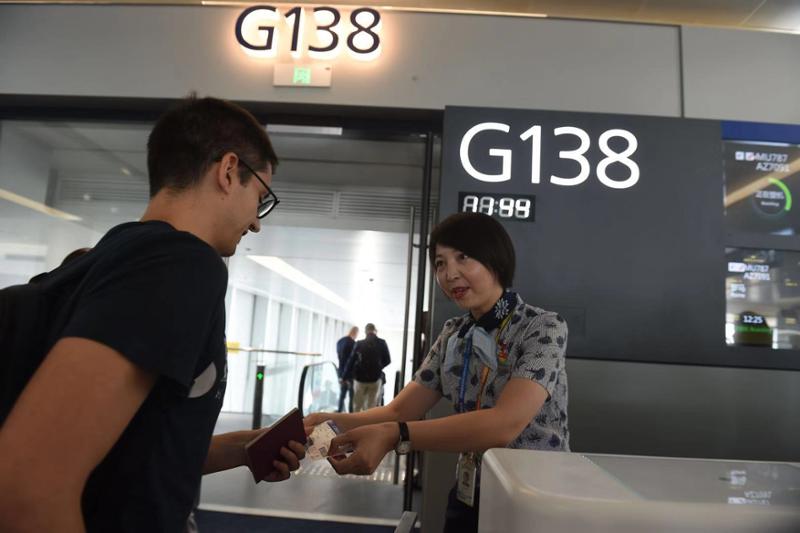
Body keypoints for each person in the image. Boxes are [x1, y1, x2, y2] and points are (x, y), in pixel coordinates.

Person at [0, 96, 305, 533]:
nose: (256, 222)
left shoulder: (100, 261)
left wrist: (242, 448)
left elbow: (127, 456)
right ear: (227, 170)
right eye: (259, 196)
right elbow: (27, 488)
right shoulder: (181, 264)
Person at [305, 212, 569, 533]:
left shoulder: (542, 327)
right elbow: (399, 411)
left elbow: (505, 424)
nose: (449, 273)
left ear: (496, 259)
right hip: (470, 493)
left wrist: (396, 434)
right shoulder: (453, 334)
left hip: (535, 500)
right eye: (440, 263)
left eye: (463, 257)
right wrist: (326, 422)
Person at [342, 323, 391, 412]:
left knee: (357, 406)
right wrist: (378, 368)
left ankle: (356, 420)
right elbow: (388, 360)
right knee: (371, 406)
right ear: (375, 331)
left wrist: (344, 377)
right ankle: (368, 420)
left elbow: (351, 361)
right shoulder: (382, 343)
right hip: (375, 379)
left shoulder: (359, 344)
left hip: (360, 379)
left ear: (365, 332)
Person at [336, 326, 358, 412]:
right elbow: (352, 361)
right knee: (352, 396)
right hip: (350, 374)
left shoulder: (340, 341)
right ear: (355, 333)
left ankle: (339, 412)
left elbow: (339, 358)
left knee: (342, 395)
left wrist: (341, 376)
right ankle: (351, 414)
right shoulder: (353, 343)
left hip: (340, 372)